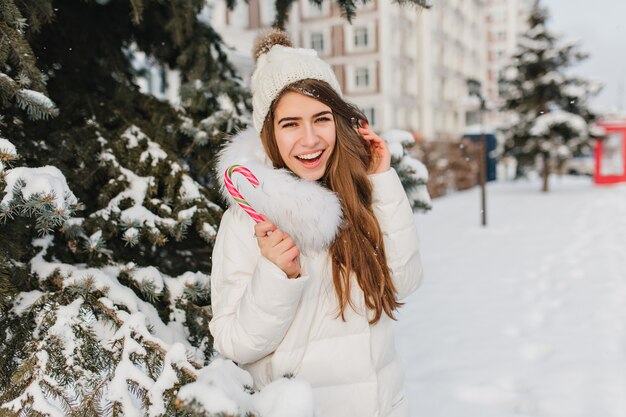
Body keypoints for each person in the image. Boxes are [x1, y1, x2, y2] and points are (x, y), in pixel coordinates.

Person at [210, 29, 423, 417]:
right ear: (269, 133)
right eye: (290, 123)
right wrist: (277, 276)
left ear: (339, 123)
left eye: (321, 118)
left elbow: (403, 282)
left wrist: (382, 180)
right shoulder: (247, 219)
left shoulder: (362, 196)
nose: (310, 139)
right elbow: (235, 343)